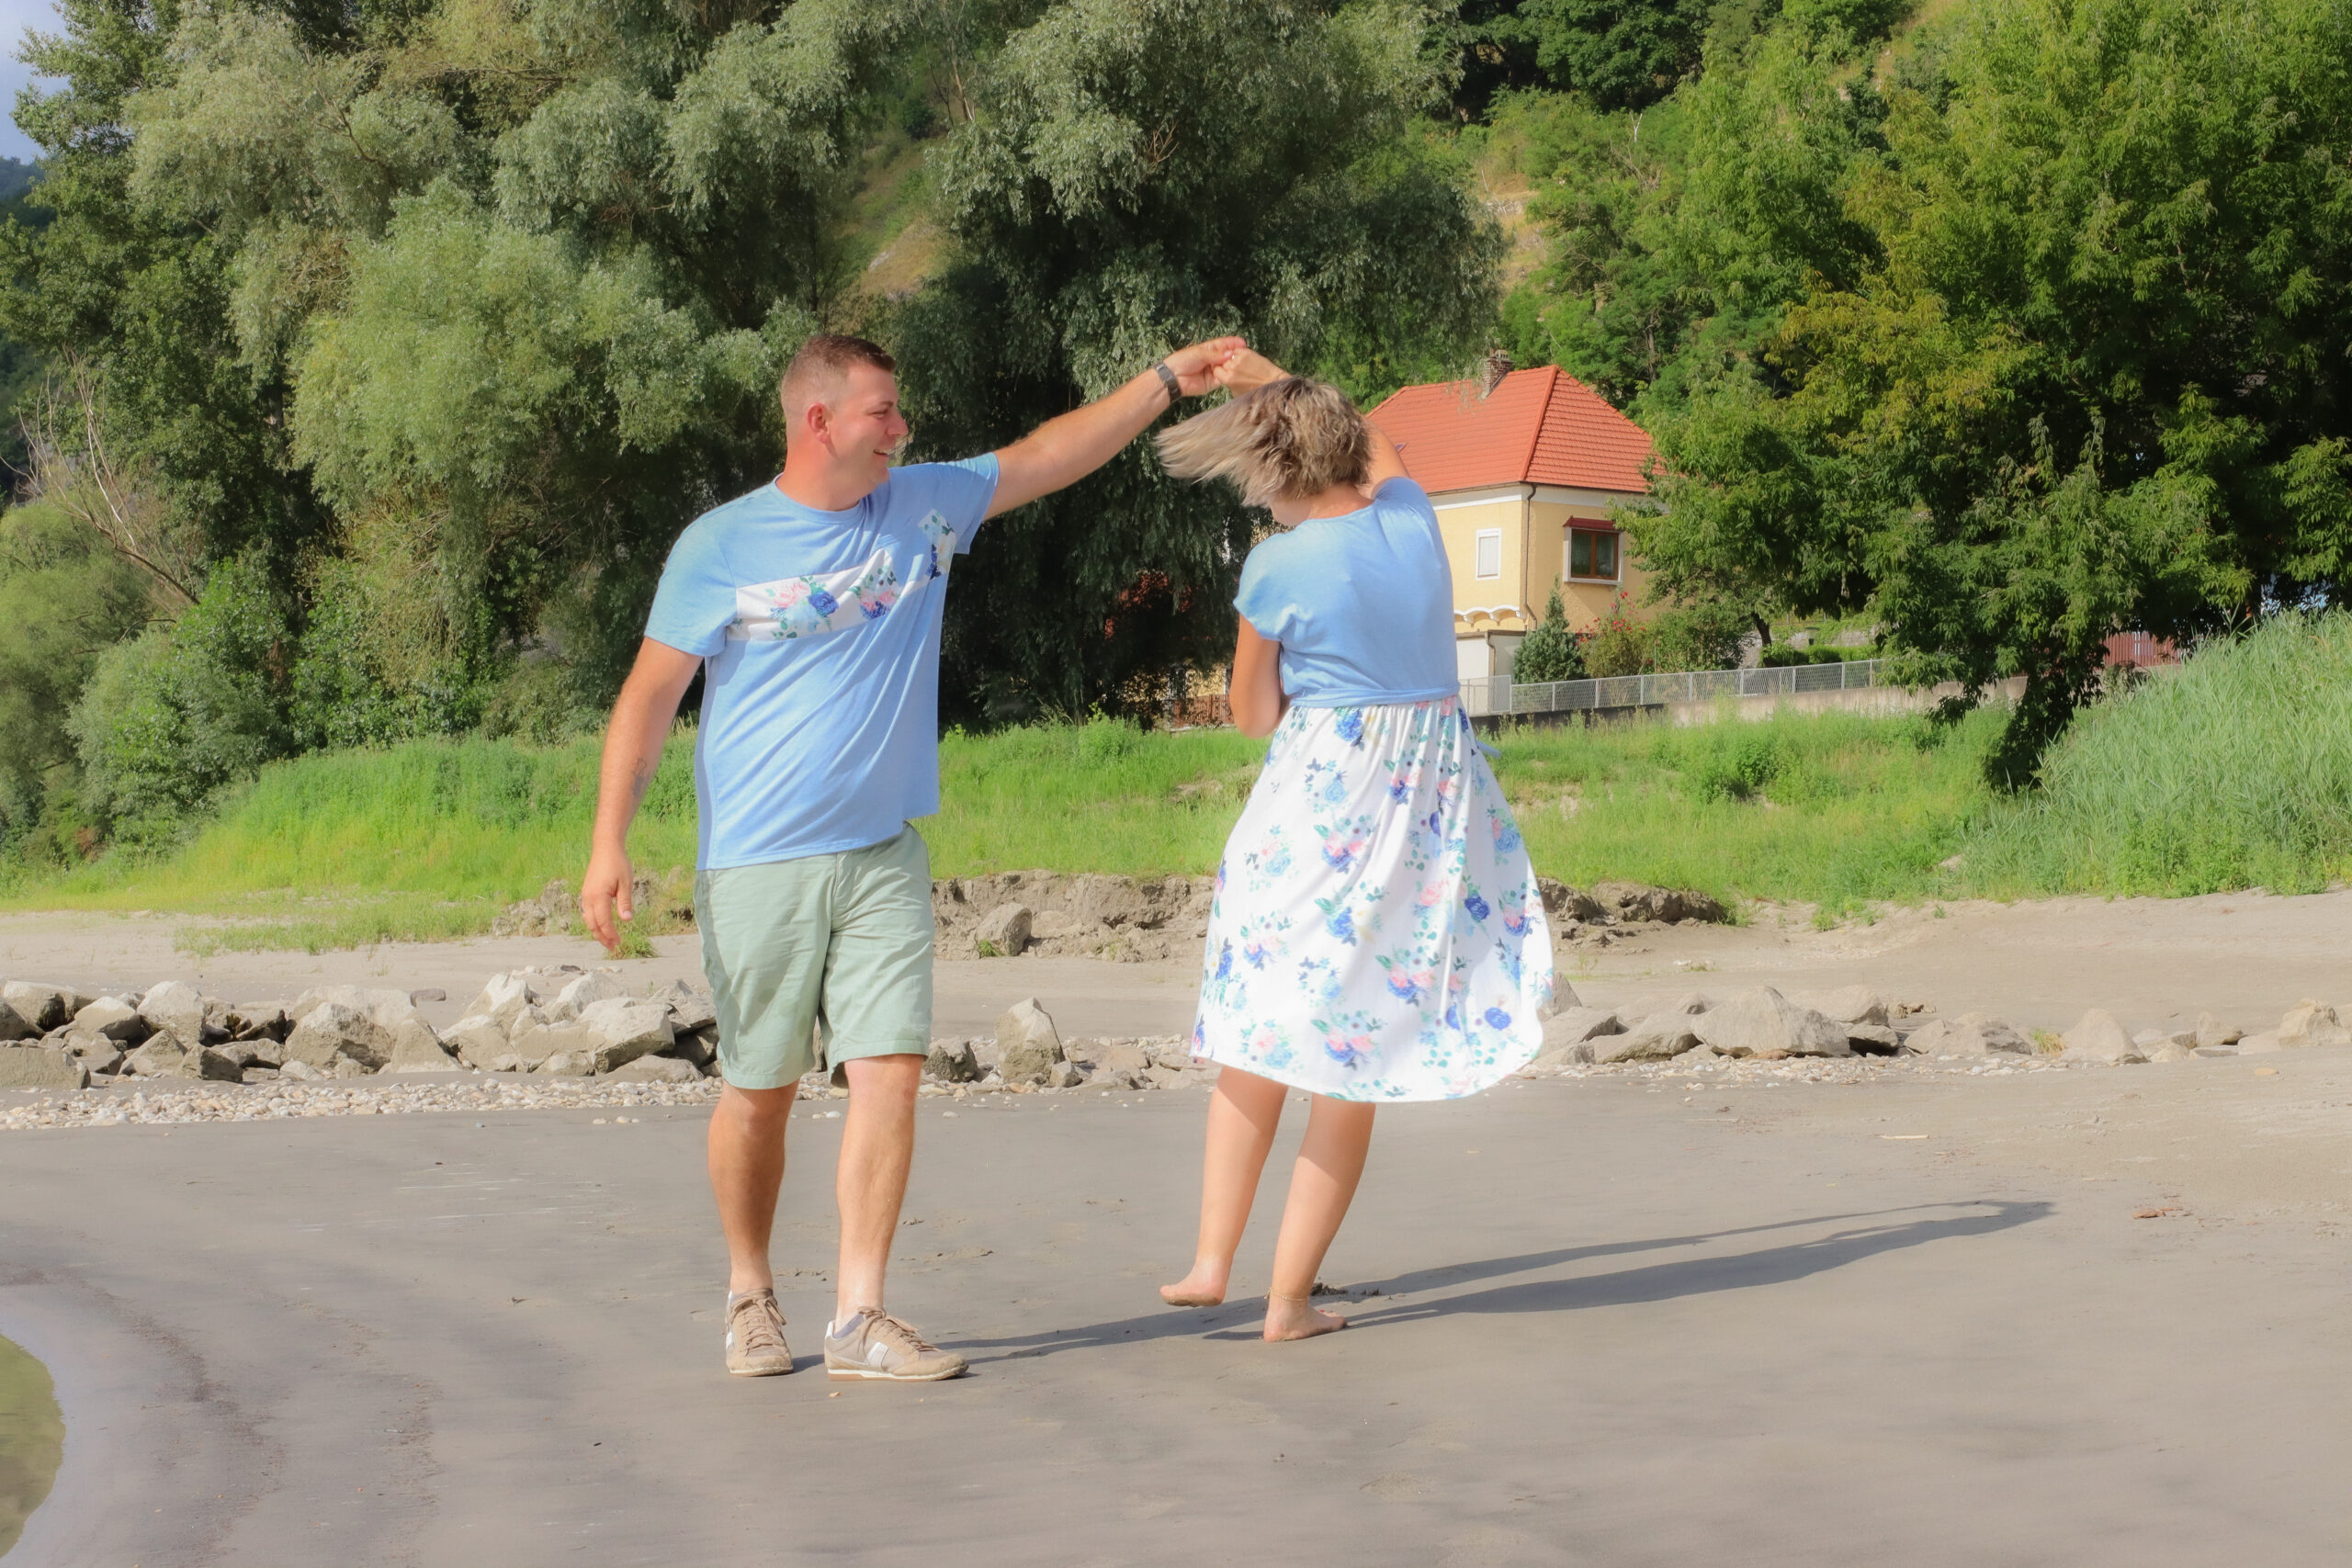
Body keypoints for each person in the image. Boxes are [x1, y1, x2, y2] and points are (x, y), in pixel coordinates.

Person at [582, 331, 1243, 1380]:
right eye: (882, 411)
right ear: (819, 421)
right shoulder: (721, 544)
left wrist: (1165, 382)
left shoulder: (924, 504)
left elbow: (1050, 453)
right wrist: (608, 843)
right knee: (759, 1089)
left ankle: (859, 1317)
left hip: (883, 852)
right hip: (757, 862)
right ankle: (750, 1293)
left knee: (889, 1074)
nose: (902, 427)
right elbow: (648, 697)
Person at [1153, 351, 1555, 1341]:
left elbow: (1251, 714)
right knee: (1350, 1067)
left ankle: (1210, 1262)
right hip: (1418, 829)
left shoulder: (1276, 565)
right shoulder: (1414, 525)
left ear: (1273, 470)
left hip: (1312, 815)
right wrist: (1271, 376)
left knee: (1254, 1037)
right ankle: (1286, 1302)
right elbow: (1382, 446)